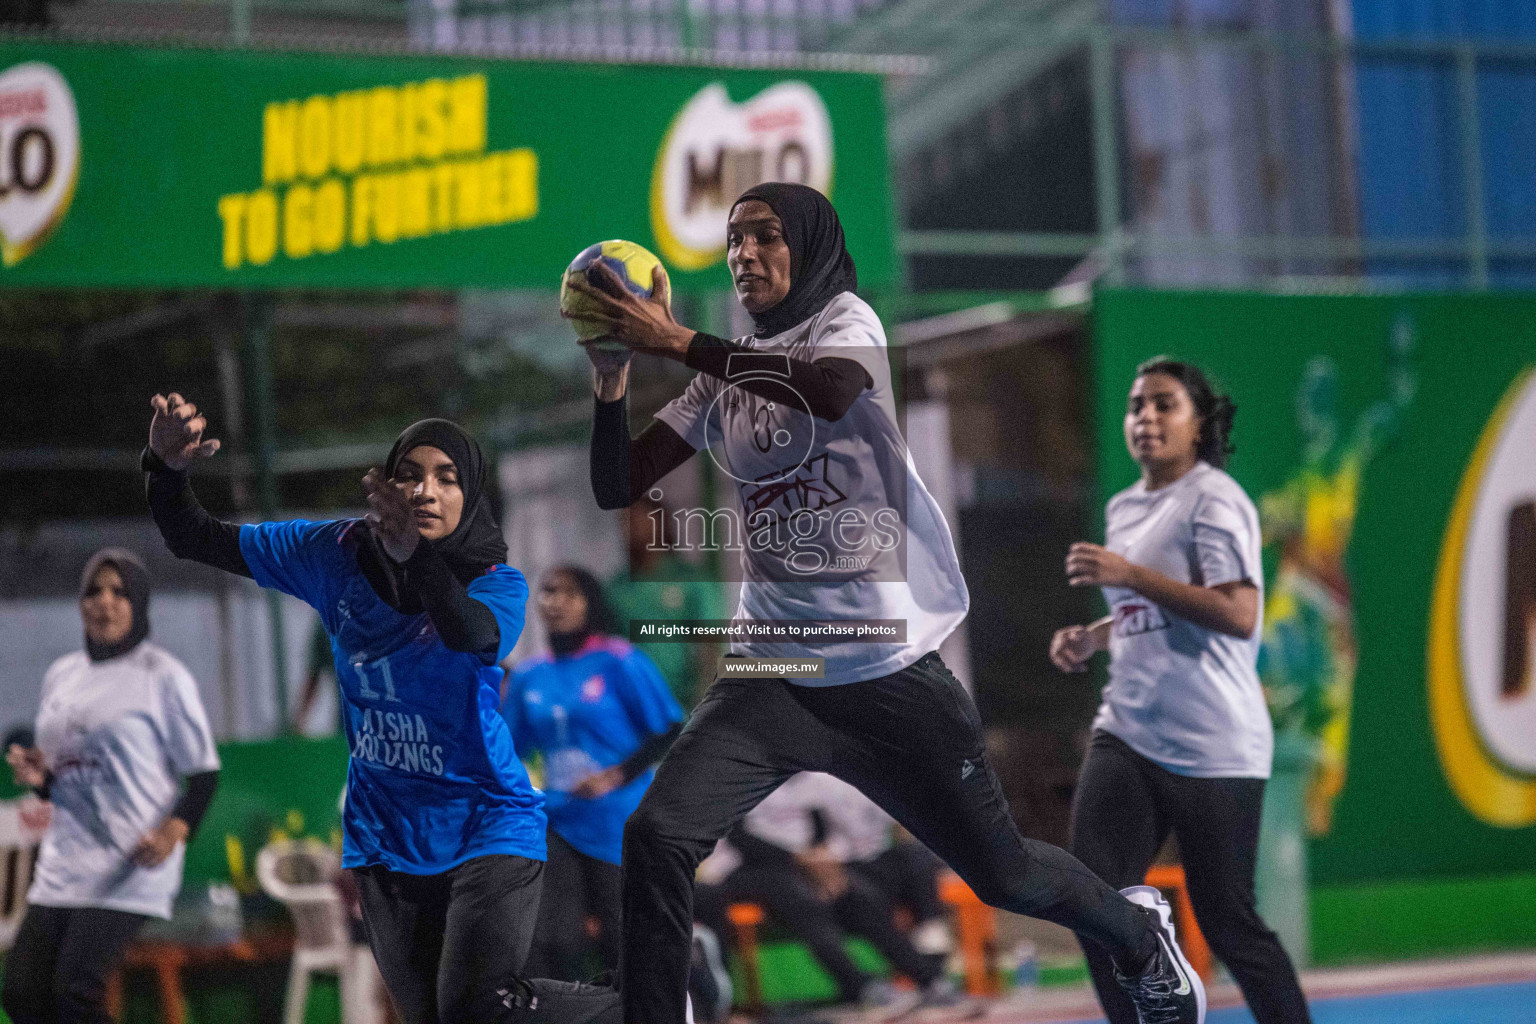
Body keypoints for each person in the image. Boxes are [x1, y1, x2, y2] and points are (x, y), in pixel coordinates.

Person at [567, 181, 1205, 1024]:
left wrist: (679, 340)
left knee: (1004, 873)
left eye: (764, 236)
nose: (744, 254)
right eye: (733, 241)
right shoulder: (717, 382)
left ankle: (1135, 930)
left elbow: (829, 393)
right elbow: (618, 481)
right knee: (655, 837)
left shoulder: (845, 324)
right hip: (775, 672)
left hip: (886, 672)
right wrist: (612, 380)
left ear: (809, 244)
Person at [139, 396, 619, 1024]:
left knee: (471, 1008)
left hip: (487, 822)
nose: (427, 489)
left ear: (469, 498)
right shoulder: (333, 553)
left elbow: (469, 635)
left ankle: (642, 1003)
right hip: (384, 836)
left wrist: (411, 555)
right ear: (388, 487)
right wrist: (165, 467)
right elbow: (191, 536)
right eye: (412, 474)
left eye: (448, 478)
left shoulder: (494, 580)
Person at [1050, 358, 1313, 1024]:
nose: (1146, 418)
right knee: (1091, 902)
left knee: (1229, 923)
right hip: (1130, 729)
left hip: (1213, 743)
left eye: (1165, 405)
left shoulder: (1215, 498)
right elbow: (1150, 611)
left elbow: (1237, 612)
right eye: (1137, 405)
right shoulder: (1126, 505)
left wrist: (1130, 574)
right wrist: (1093, 637)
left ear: (1199, 425)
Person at [2, 548, 221, 1024]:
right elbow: (66, 780)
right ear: (80, 603)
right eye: (93, 591)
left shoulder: (162, 676)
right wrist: (41, 779)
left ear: (139, 603)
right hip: (64, 864)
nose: (105, 601)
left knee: (76, 990)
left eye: (119, 591)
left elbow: (204, 775)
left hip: (130, 865)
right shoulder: (61, 675)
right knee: (21, 994)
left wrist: (173, 831)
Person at [503, 566, 684, 981]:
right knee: (554, 937)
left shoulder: (620, 659)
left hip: (618, 821)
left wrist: (614, 776)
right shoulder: (531, 674)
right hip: (558, 818)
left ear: (590, 602)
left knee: (621, 937)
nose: (555, 602)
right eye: (547, 592)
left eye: (569, 593)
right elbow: (508, 749)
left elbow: (670, 729)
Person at [694, 772, 958, 1015]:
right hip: (747, 870)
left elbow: (818, 827)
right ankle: (860, 986)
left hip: (803, 867)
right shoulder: (738, 777)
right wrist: (800, 860)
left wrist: (821, 862)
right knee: (802, 901)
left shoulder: (803, 777)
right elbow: (741, 840)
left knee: (858, 896)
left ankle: (929, 979)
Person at [605, 495, 727, 710]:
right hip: (633, 708)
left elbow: (711, 644)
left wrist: (703, 701)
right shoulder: (616, 588)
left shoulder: (692, 580)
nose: (629, 528)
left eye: (637, 519)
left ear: (660, 524)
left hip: (684, 704)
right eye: (624, 521)